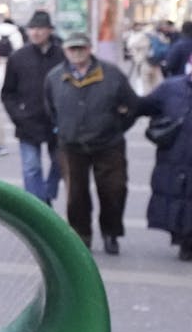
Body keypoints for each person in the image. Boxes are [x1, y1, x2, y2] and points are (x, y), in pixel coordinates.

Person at [44, 31, 140, 254]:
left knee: (113, 190)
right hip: (71, 146)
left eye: (81, 48)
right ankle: (81, 236)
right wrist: (64, 130)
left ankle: (111, 233)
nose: (77, 53)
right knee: (76, 194)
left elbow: (132, 105)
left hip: (108, 144)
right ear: (65, 51)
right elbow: (51, 109)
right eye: (72, 49)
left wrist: (116, 127)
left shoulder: (112, 74)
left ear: (89, 49)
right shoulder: (54, 77)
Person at [0, 10, 67, 204]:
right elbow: (7, 93)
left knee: (61, 163)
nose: (36, 33)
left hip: (57, 121)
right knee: (31, 167)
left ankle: (46, 194)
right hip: (28, 120)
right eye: (32, 29)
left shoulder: (62, 56)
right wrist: (17, 115)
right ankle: (37, 206)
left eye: (40, 29)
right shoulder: (18, 57)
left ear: (50, 31)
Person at [136, 58, 192, 260]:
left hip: (178, 156)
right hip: (176, 155)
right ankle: (184, 239)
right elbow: (144, 106)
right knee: (178, 196)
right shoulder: (171, 88)